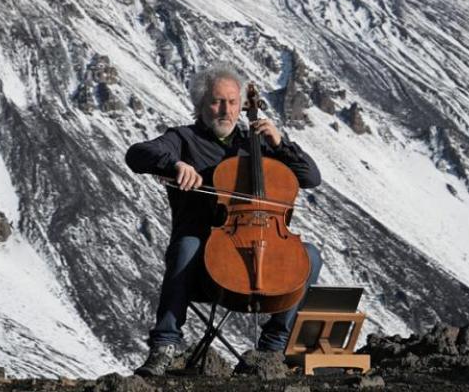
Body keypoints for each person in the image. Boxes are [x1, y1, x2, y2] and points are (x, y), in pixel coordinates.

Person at [125, 64, 323, 376]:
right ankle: (164, 345)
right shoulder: (183, 139)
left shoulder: (253, 142)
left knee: (309, 256)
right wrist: (174, 164)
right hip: (207, 266)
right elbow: (137, 154)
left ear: (242, 105)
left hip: (261, 250)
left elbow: (310, 178)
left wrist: (279, 143)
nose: (225, 110)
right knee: (186, 246)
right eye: (217, 102)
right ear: (201, 104)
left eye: (232, 102)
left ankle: (272, 347)